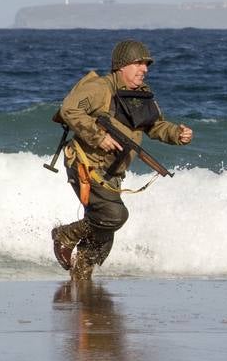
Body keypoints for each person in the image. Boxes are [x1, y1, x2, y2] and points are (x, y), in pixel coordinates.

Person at [50, 40, 194, 280]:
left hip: (113, 174)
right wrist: (98, 137)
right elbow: (69, 110)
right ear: (121, 66)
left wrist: (177, 134)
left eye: (146, 64)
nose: (144, 69)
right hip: (86, 165)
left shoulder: (142, 96)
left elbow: (155, 126)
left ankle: (81, 282)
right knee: (114, 216)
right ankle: (64, 235)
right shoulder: (99, 88)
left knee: (102, 244)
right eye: (138, 63)